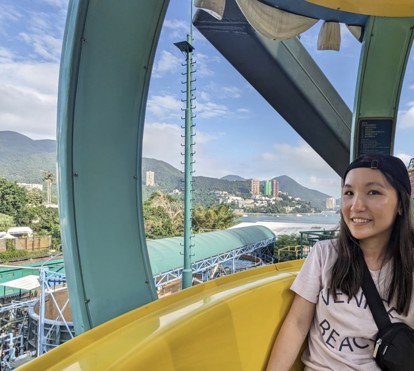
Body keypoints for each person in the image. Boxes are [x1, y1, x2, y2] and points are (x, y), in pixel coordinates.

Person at [266, 154, 414, 370]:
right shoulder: (324, 254)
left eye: (373, 192)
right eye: (348, 193)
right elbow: (297, 324)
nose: (356, 205)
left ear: (401, 204)